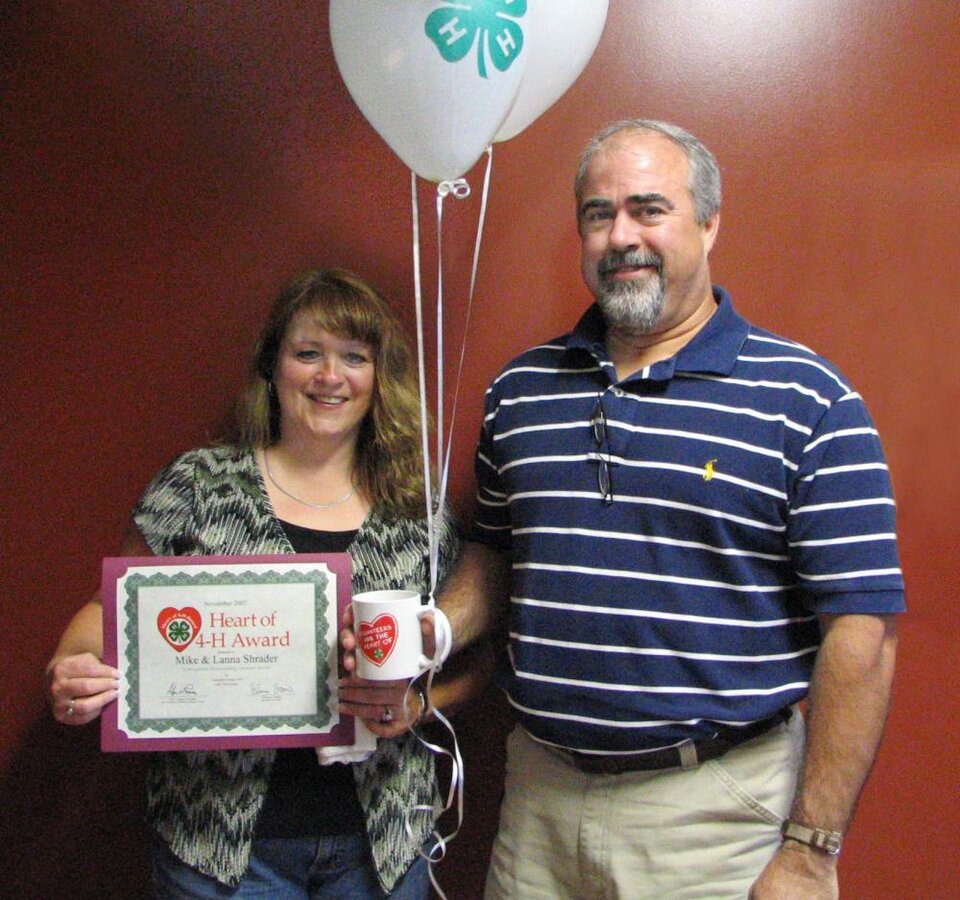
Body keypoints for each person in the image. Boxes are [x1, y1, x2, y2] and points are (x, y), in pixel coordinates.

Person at [431, 120, 904, 898]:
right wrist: (434, 632)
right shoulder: (520, 391)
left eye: (650, 209)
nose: (621, 236)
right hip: (537, 806)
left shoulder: (808, 400)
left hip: (713, 819)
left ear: (710, 223)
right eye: (598, 213)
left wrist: (813, 848)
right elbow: (497, 557)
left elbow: (864, 631)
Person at [45, 268, 490, 898]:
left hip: (383, 843)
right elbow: (108, 611)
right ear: (273, 367)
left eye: (353, 357)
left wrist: (418, 705)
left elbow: (477, 656)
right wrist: (71, 665)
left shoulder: (418, 509)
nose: (329, 377)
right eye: (307, 353)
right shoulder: (199, 486)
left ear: (377, 377)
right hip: (216, 844)